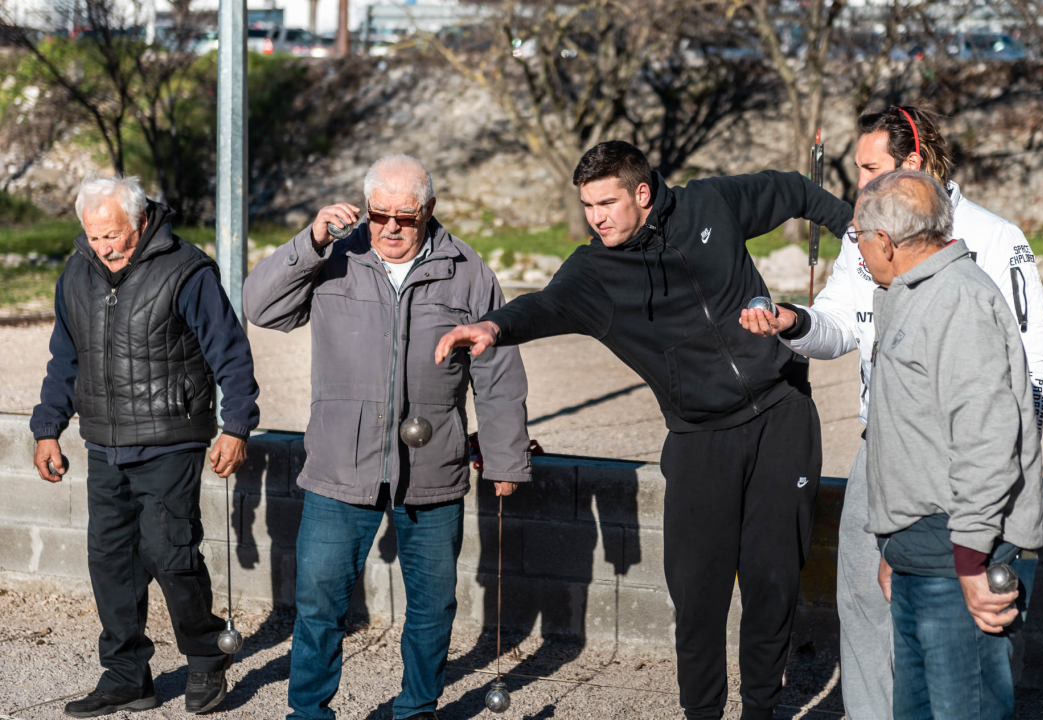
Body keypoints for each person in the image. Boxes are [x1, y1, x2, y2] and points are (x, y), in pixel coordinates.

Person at [435, 140, 853, 720]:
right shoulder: (595, 273)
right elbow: (545, 305)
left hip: (783, 416)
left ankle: (762, 711)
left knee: (773, 585)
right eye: (587, 205)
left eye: (606, 202)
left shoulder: (711, 206)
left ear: (642, 192)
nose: (595, 216)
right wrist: (494, 327)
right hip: (699, 439)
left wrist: (855, 232)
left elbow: (795, 190)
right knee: (698, 597)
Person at [738, 104, 1043, 720]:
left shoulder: (990, 242)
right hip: (887, 456)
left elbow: (1027, 372)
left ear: (913, 163)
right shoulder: (871, 234)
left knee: (962, 647)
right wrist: (792, 322)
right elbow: (837, 323)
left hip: (963, 478)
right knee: (868, 602)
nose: (858, 185)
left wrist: (1000, 495)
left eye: (870, 167)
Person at [242, 154, 531, 720]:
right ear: (365, 209)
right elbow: (260, 307)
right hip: (339, 467)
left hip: (433, 467)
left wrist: (504, 459)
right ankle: (308, 712)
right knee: (319, 604)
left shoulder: (466, 270)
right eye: (380, 215)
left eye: (407, 217)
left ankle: (416, 709)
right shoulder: (333, 258)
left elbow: (497, 371)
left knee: (432, 607)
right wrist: (311, 239)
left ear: (428, 213)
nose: (392, 228)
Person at [30, 174, 260, 717]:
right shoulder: (77, 272)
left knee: (169, 553)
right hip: (104, 439)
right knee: (110, 561)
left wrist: (237, 425)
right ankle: (126, 675)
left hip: (170, 435)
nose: (103, 248)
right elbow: (66, 357)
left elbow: (231, 352)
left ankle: (206, 657)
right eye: (94, 236)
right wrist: (47, 428)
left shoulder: (188, 270)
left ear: (139, 221)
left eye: (113, 236)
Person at [853, 169, 1042, 719]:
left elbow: (987, 441)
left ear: (884, 241)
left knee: (965, 709)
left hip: (954, 556)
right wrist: (893, 545)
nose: (858, 249)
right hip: (919, 554)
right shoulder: (911, 293)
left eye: (858, 237)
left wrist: (969, 560)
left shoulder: (957, 301)